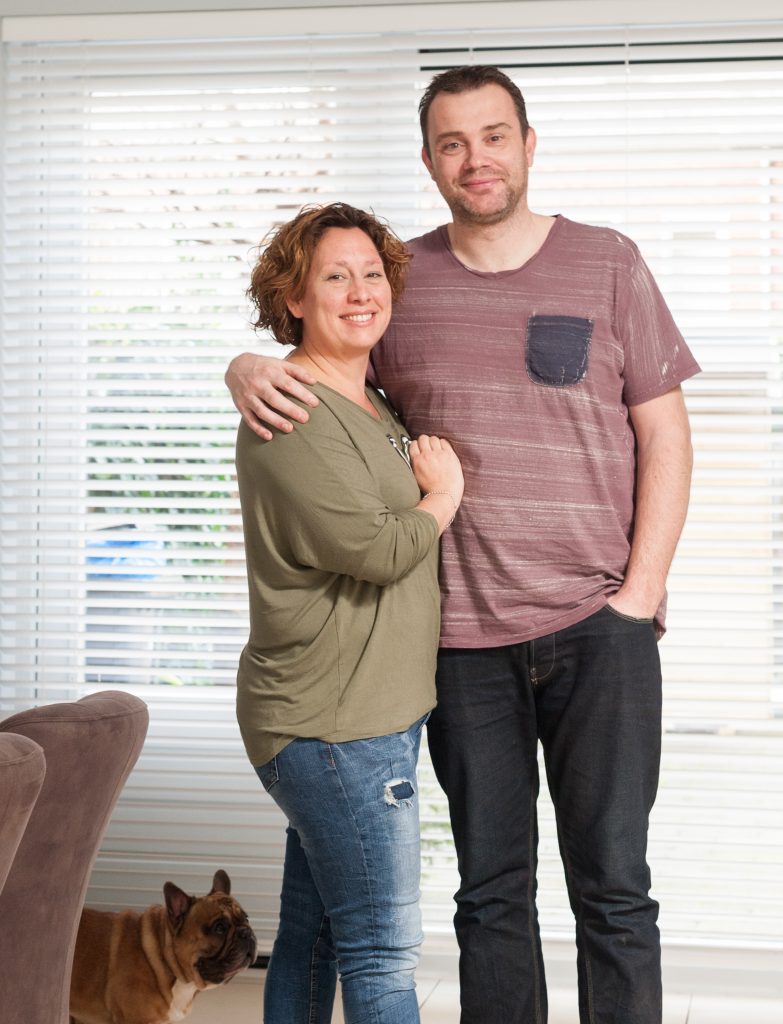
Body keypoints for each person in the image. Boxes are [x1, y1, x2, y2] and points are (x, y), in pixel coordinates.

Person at [227, 67, 699, 1024]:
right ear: (429, 160)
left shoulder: (608, 262)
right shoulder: (400, 281)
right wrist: (243, 366)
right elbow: (326, 371)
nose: (475, 159)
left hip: (598, 627)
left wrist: (639, 596)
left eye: (493, 136)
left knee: (615, 891)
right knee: (489, 896)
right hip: (461, 647)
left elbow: (665, 434)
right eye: (452, 143)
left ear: (527, 144)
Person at [234, 202, 464, 1024]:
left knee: (316, 937)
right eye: (335, 276)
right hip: (333, 729)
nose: (361, 291)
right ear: (293, 297)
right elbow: (378, 549)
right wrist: (444, 495)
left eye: (372, 273)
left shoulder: (370, 401)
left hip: (362, 720)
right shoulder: (293, 411)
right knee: (381, 951)